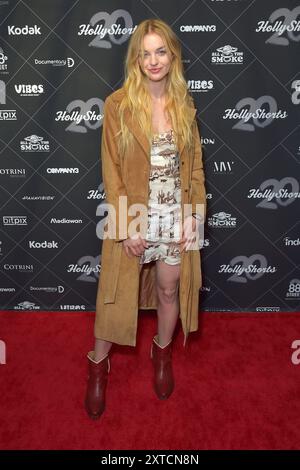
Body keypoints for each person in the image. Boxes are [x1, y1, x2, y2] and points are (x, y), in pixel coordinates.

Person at [84, 18, 207, 420]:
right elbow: (111, 171)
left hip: (175, 218)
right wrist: (126, 226)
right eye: (145, 53)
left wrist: (195, 215)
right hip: (134, 215)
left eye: (161, 51)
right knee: (114, 297)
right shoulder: (117, 104)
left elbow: (194, 170)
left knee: (170, 291)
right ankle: (98, 369)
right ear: (136, 58)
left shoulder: (185, 104)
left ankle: (162, 353)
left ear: (172, 56)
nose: (153, 60)